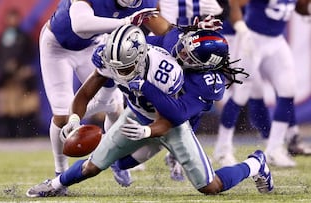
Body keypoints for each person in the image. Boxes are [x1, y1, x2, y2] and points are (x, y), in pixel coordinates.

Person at [26, 24, 273, 197]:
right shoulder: (116, 56)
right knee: (98, 164)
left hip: (172, 125)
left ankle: (255, 164)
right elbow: (85, 92)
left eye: (125, 68)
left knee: (210, 187)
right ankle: (55, 184)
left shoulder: (167, 73)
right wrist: (74, 118)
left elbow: (173, 116)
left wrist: (146, 131)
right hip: (137, 114)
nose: (118, 72)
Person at [38, 0, 174, 188]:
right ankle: (60, 170)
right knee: (62, 118)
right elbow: (80, 25)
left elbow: (165, 31)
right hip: (57, 47)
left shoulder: (143, 3)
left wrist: (191, 33)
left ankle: (115, 159)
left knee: (114, 105)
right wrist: (126, 22)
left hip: (94, 45)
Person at [213, 0, 311, 168]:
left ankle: (274, 149)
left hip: (276, 41)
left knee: (288, 90)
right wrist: (242, 30)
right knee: (242, 93)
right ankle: (222, 148)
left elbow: (299, 6)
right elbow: (234, 3)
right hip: (253, 40)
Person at [153, 0, 229, 181]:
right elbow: (147, 10)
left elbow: (224, 10)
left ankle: (179, 151)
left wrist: (220, 10)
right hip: (169, 40)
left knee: (196, 96)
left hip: (196, 47)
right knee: (151, 91)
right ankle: (134, 149)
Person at [0, 8, 39, 137]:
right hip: (6, 78)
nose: (12, 21)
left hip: (21, 77)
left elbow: (30, 54)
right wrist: (4, 68)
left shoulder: (24, 37)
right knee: (6, 108)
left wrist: (21, 67)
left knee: (25, 107)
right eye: (10, 18)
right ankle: (7, 134)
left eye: (15, 18)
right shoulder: (1, 37)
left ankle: (24, 134)